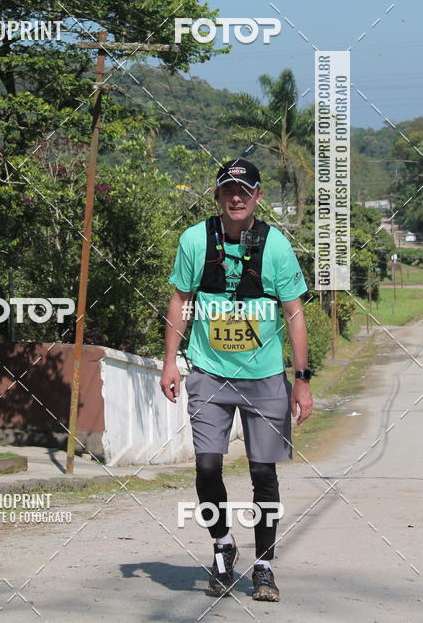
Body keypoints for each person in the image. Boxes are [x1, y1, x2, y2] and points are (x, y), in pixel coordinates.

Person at [160, 160, 313, 602]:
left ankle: (263, 564)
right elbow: (180, 301)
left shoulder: (276, 246)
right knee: (208, 467)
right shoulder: (194, 240)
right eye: (229, 188)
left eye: (245, 190)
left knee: (262, 473)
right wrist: (170, 361)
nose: (237, 196)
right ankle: (223, 546)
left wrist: (301, 380)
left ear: (258, 196)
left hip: (265, 378)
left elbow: (295, 314)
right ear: (217, 195)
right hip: (208, 373)